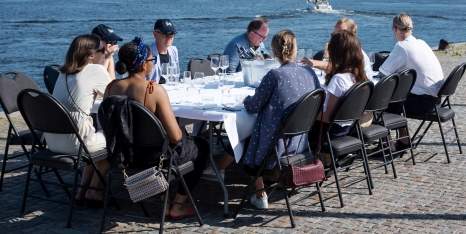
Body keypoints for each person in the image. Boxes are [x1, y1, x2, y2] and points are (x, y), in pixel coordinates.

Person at [204, 30, 321, 209]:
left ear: (274, 51)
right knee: (252, 135)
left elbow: (252, 107)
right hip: (300, 140)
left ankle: (260, 193)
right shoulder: (310, 73)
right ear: (295, 49)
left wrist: (246, 99)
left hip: (278, 143)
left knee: (245, 141)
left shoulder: (275, 76)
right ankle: (266, 180)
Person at [108, 37, 211, 219]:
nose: (152, 64)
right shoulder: (153, 90)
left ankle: (165, 200)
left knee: (162, 145)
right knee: (201, 146)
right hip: (153, 159)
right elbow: (176, 137)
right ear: (142, 65)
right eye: (151, 60)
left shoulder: (111, 88)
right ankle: (177, 206)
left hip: (125, 156)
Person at [45, 34, 113, 206]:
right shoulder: (95, 70)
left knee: (96, 142)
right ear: (91, 56)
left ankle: (82, 190)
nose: (104, 53)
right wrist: (109, 61)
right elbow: (117, 95)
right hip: (77, 141)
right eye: (102, 50)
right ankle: (93, 190)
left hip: (53, 140)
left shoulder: (62, 72)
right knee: (115, 141)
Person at [377, 13, 446, 150]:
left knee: (381, 101)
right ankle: (404, 140)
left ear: (395, 29)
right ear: (411, 28)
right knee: (397, 98)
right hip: (436, 100)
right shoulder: (422, 43)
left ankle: (387, 146)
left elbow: (383, 73)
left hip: (423, 103)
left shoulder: (402, 46)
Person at [310, 31, 368, 151]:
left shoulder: (338, 80)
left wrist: (308, 113)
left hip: (329, 133)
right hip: (345, 128)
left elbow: (327, 117)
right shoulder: (357, 76)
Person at [299, 17, 373, 76]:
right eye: (334, 34)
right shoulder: (345, 52)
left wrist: (312, 62)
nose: (335, 38)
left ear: (352, 35)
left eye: (341, 34)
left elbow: (335, 66)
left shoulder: (356, 54)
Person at [146, 19, 179, 83]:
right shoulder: (147, 52)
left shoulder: (174, 51)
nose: (169, 38)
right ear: (155, 34)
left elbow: (176, 76)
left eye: (171, 34)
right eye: (165, 34)